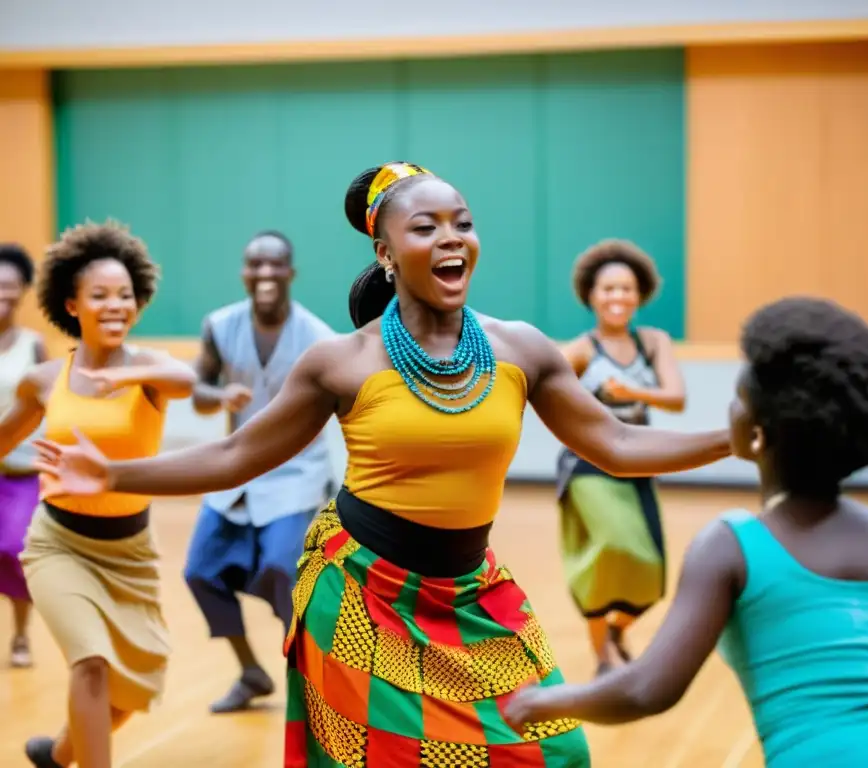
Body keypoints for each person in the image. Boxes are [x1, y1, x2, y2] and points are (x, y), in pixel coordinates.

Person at [31, 161, 732, 768]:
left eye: (461, 222)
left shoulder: (522, 349)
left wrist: (735, 438)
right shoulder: (343, 361)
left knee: (553, 750)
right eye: (425, 227)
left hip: (471, 590)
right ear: (386, 251)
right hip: (362, 589)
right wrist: (115, 475)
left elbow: (617, 443)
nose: (450, 237)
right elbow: (239, 451)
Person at [504, 296, 868, 767]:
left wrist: (539, 701)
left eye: (738, 398)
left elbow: (648, 689)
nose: (731, 409)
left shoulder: (732, 546)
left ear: (756, 431)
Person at [0, 221, 197, 768]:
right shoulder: (44, 380)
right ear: (71, 303)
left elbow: (186, 382)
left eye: (125, 296)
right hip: (59, 543)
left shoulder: (150, 374)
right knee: (89, 663)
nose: (115, 306)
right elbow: (4, 438)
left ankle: (59, 754)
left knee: (135, 688)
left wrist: (130, 376)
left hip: (128, 551)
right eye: (100, 296)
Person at [185, 229, 338, 714]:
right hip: (238, 472)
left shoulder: (318, 338)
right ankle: (251, 671)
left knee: (280, 570)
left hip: (297, 474)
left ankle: (317, 680)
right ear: (244, 272)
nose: (266, 273)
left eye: (276, 265)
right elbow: (197, 389)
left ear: (290, 272)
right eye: (256, 264)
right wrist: (218, 397)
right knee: (200, 571)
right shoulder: (220, 325)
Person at [556, 239, 685, 675]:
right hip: (587, 465)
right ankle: (604, 660)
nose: (617, 297)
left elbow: (676, 398)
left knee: (651, 575)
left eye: (626, 289)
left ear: (639, 295)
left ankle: (614, 633)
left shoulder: (652, 342)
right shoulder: (579, 350)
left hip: (640, 463)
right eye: (608, 289)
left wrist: (634, 392)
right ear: (591, 295)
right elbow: (539, 394)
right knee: (612, 549)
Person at [0, 243, 48, 669]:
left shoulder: (33, 345)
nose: (2, 292)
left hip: (21, 471)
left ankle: (19, 634)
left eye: (10, 285)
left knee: (14, 549)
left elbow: (52, 404)